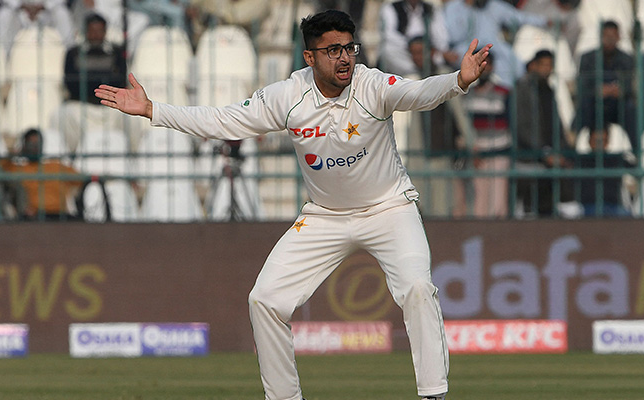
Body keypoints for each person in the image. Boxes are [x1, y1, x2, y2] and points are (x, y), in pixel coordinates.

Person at [95, 9, 491, 400]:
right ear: (309, 57)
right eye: (332, 50)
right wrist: (154, 110)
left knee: (419, 287)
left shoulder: (372, 84)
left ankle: (433, 395)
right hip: (325, 216)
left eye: (349, 48)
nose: (344, 58)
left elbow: (416, 93)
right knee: (265, 300)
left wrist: (457, 81)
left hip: (389, 208)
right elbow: (223, 120)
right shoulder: (288, 94)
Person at [53, 12, 128, 154]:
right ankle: (71, 157)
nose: (95, 35)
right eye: (92, 31)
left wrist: (88, 81)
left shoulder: (117, 52)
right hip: (81, 105)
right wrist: (103, 80)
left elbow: (120, 82)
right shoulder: (73, 53)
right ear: (85, 32)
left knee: (131, 119)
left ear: (105, 32)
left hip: (110, 106)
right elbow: (72, 85)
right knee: (61, 115)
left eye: (99, 31)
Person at [514, 49, 575, 217]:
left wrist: (564, 151)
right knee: (529, 210)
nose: (546, 69)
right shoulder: (523, 88)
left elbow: (556, 124)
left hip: (549, 158)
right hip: (529, 158)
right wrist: (544, 152)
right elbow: (522, 126)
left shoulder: (548, 89)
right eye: (543, 65)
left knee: (549, 207)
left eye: (549, 65)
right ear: (533, 65)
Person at [443, 0, 548, 88]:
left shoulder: (494, 6)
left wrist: (545, 21)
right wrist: (468, 7)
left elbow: (517, 17)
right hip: (466, 49)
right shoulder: (454, 7)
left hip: (494, 49)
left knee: (515, 66)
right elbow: (453, 36)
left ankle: (504, 97)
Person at [460, 52, 511, 218]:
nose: (484, 68)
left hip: (499, 153)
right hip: (477, 156)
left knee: (498, 206)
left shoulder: (503, 92)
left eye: (487, 64)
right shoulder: (466, 95)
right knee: (478, 206)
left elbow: (511, 123)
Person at [575, 20, 636, 152]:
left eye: (612, 36)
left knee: (631, 109)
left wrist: (619, 91)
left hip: (617, 105)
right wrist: (597, 91)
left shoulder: (627, 59)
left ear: (618, 37)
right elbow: (583, 86)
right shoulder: (587, 58)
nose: (609, 40)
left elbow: (629, 87)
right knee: (582, 108)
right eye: (606, 36)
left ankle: (636, 152)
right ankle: (570, 151)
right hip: (594, 103)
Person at [2, 128, 84, 221]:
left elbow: (82, 179)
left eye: (38, 143)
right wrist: (13, 153)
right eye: (31, 144)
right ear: (24, 145)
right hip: (33, 218)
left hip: (60, 216)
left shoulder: (56, 166)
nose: (35, 147)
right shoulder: (17, 169)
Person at [379, 0, 457, 77]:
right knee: (388, 50)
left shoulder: (431, 8)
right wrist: (410, 46)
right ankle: (414, 73)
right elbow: (389, 34)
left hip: (426, 48)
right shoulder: (391, 8)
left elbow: (440, 35)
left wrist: (430, 48)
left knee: (440, 55)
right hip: (404, 50)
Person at [575, 123, 634, 217]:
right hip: (587, 207)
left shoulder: (615, 159)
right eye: (596, 141)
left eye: (603, 141)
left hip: (613, 206)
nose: (599, 144)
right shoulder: (581, 161)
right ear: (589, 141)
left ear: (608, 142)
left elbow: (635, 168)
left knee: (628, 218)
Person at [0, 0, 76, 58]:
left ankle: (71, 55)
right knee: (4, 15)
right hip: (20, 12)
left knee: (62, 13)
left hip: (46, 12)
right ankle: (5, 57)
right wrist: (23, 6)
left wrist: (43, 6)